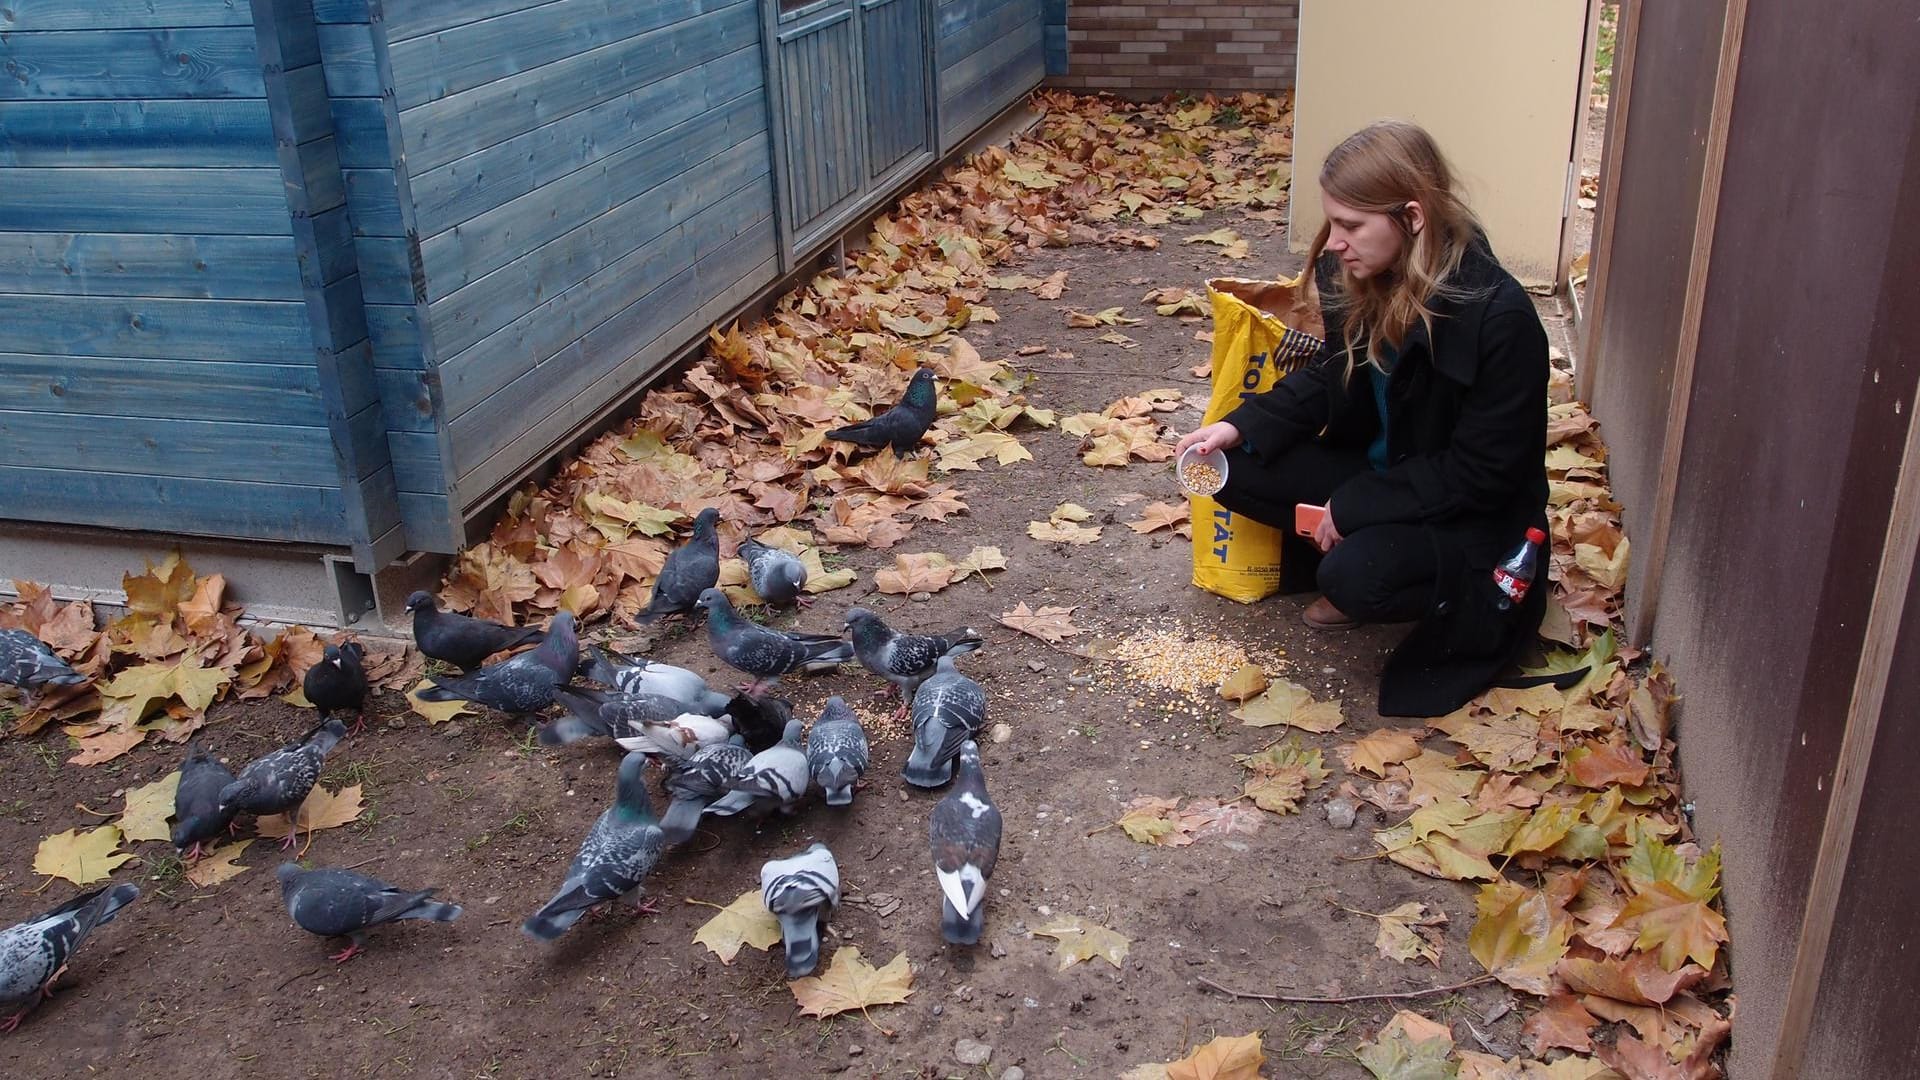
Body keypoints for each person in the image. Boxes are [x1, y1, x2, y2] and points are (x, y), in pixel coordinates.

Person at [1176, 120, 1550, 717]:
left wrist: (1354, 507)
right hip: (1381, 469)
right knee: (1225, 467)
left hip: (1466, 516)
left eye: (1351, 226)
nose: (1333, 243)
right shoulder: (1361, 273)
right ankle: (1353, 541)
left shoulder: (1499, 320)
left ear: (1413, 215)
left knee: (1354, 576)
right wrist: (1244, 423)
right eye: (1333, 224)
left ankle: (1378, 575)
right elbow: (1333, 372)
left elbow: (1482, 475)